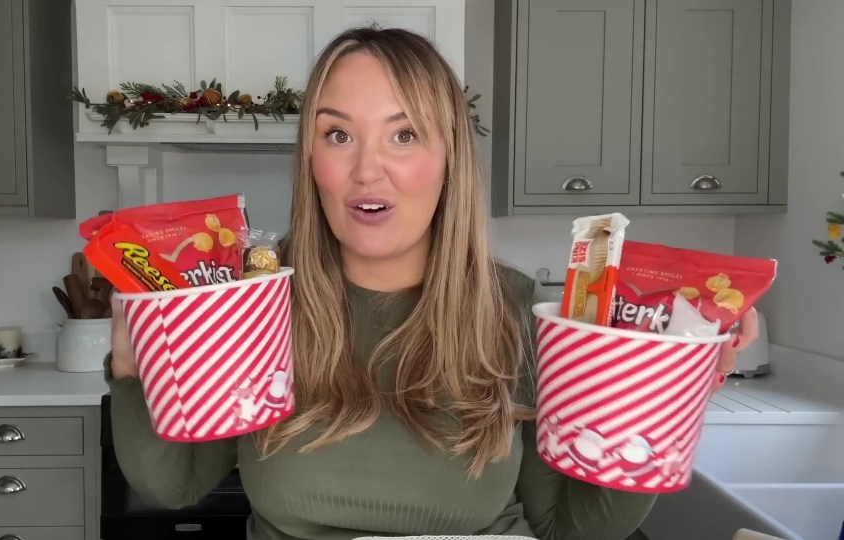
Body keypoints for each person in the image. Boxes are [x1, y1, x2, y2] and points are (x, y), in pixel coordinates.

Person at [104, 27, 759, 540]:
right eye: (338, 134)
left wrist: (659, 395)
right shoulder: (252, 306)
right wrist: (134, 363)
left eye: (404, 134)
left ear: (449, 160)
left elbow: (569, 524)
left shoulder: (517, 313)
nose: (367, 170)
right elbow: (179, 481)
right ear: (312, 161)